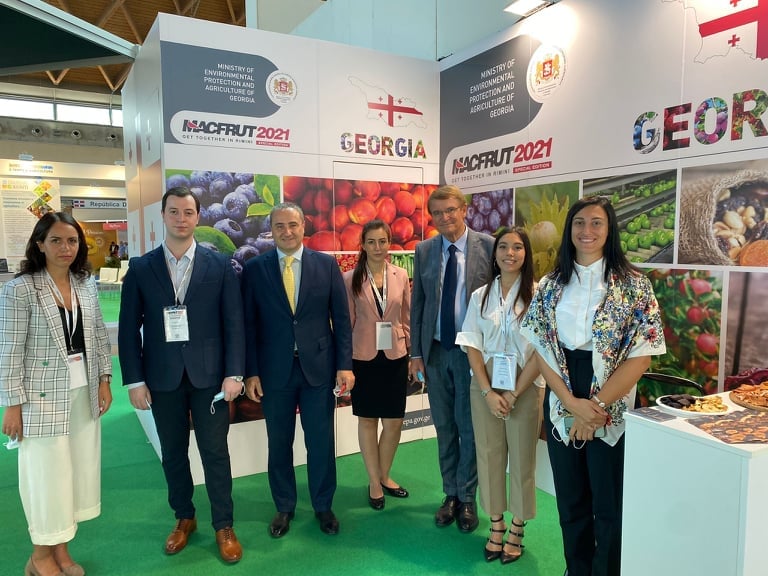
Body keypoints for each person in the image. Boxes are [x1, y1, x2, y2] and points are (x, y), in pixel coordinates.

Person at [520, 196, 666, 576]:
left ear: (609, 229)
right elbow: (542, 349)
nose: (587, 230)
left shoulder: (634, 285)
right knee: (571, 500)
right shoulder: (551, 285)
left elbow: (642, 356)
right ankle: (577, 569)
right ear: (569, 230)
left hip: (612, 395)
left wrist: (594, 406)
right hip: (562, 391)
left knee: (609, 504)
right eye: (579, 222)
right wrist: (570, 403)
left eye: (596, 222)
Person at [117, 187, 245, 563]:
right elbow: (128, 329)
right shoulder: (142, 268)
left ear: (198, 217)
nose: (181, 219)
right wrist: (135, 380)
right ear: (163, 215)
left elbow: (234, 323)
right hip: (162, 377)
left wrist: (235, 373)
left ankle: (224, 524)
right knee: (173, 452)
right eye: (174, 212)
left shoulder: (219, 265)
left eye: (188, 212)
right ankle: (184, 517)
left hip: (211, 379)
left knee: (215, 453)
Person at [0, 212, 112, 576]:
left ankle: (61, 550)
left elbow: (98, 336)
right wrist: (12, 405)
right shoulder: (20, 289)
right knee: (47, 476)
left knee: (74, 472)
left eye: (72, 241)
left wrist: (104, 379)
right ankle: (40, 557)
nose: (66, 248)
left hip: (83, 392)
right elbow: (9, 352)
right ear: (40, 245)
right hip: (40, 398)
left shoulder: (85, 284)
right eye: (56, 241)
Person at [241, 202, 354, 538]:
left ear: (303, 226)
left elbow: (341, 320)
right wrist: (251, 372)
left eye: (292, 225)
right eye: (279, 226)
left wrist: (344, 365)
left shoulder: (326, 265)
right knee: (279, 443)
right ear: (270, 230)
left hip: (318, 369)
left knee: (320, 442)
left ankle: (323, 505)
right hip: (274, 372)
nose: (286, 232)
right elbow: (248, 325)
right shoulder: (255, 269)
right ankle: (284, 506)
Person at [409, 184, 494, 532]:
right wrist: (416, 353)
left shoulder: (488, 247)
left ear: (464, 210)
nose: (444, 218)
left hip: (471, 354)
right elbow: (418, 304)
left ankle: (467, 497)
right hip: (435, 352)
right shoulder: (424, 250)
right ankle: (450, 495)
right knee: (444, 426)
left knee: (469, 427)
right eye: (437, 213)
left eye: (450, 210)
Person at [456, 226, 542, 564]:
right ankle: (495, 525)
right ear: (495, 254)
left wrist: (516, 392)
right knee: (489, 455)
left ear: (526, 253)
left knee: (522, 458)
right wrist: (488, 391)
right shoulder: (481, 296)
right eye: (503, 246)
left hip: (526, 383)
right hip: (486, 384)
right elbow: (472, 345)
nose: (510, 253)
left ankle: (517, 527)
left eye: (517, 247)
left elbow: (543, 350)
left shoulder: (539, 295)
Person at [343, 220, 411, 511]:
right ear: (362, 244)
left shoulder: (401, 275)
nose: (377, 247)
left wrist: (411, 352)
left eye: (382, 241)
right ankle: (374, 481)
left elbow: (406, 317)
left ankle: (385, 474)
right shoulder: (350, 278)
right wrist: (344, 363)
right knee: (368, 420)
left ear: (389, 243)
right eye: (371, 242)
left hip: (395, 355)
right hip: (363, 358)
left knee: (394, 421)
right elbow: (346, 323)